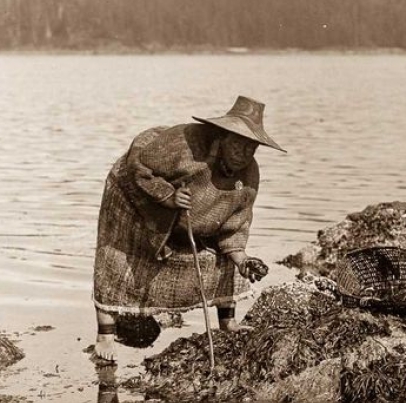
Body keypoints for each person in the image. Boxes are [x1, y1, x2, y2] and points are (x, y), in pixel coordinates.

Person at [92, 95, 285, 363]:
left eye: (251, 148)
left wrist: (243, 260)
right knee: (118, 257)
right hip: (131, 193)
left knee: (218, 259)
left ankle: (227, 323)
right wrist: (166, 196)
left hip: (184, 214)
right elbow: (139, 161)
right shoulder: (186, 145)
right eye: (238, 145)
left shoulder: (249, 175)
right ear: (223, 136)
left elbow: (235, 227)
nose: (244, 154)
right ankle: (105, 335)